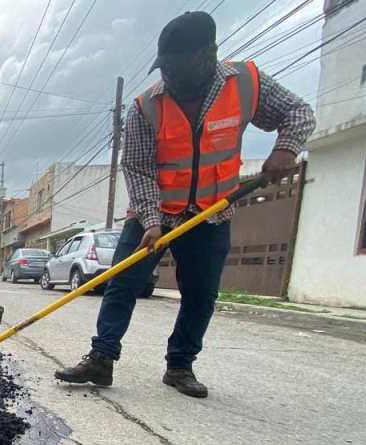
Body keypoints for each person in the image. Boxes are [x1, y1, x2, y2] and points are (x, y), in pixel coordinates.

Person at [55, 11, 315, 398]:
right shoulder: (146, 106)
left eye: (177, 67)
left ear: (207, 55)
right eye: (165, 68)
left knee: (200, 294)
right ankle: (102, 357)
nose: (169, 76)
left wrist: (286, 149)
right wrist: (151, 220)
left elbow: (298, 113)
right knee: (122, 284)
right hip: (154, 212)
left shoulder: (245, 84)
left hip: (211, 214)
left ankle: (180, 365)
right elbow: (138, 168)